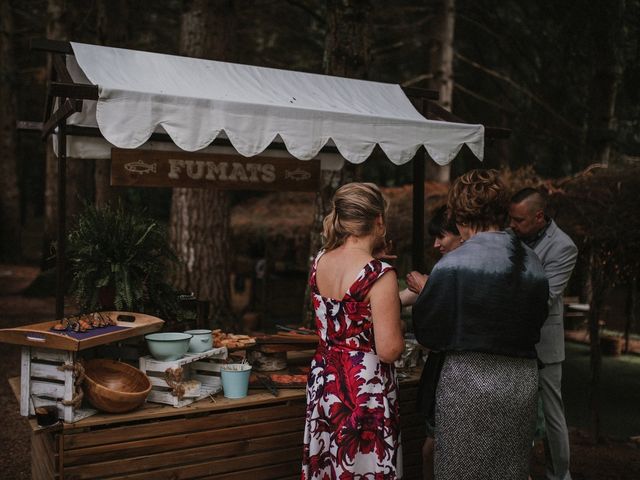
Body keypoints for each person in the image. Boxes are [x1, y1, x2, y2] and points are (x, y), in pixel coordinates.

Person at [412, 169, 549, 480]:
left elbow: (428, 332)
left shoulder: (453, 264)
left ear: (458, 215)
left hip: (469, 382)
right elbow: (537, 321)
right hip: (521, 383)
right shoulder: (535, 264)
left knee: (461, 470)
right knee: (509, 471)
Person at [301, 182, 405, 480]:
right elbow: (389, 349)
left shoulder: (320, 261)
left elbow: (339, 314)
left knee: (330, 464)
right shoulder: (379, 274)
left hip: (325, 382)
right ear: (379, 220)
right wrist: (399, 322)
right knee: (361, 467)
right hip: (362, 390)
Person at [510, 188, 578, 480]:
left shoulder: (563, 247)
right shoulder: (511, 236)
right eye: (510, 218)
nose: (512, 225)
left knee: (552, 418)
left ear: (539, 216)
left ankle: (559, 476)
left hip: (545, 344)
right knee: (514, 416)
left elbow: (545, 296)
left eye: (519, 220)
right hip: (511, 341)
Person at [399, 205, 462, 480]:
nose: (436, 244)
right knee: (430, 448)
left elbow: (453, 316)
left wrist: (426, 289)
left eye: (442, 236)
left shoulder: (465, 270)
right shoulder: (444, 267)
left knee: (435, 449)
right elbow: (401, 298)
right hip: (441, 368)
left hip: (458, 370)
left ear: (464, 233)